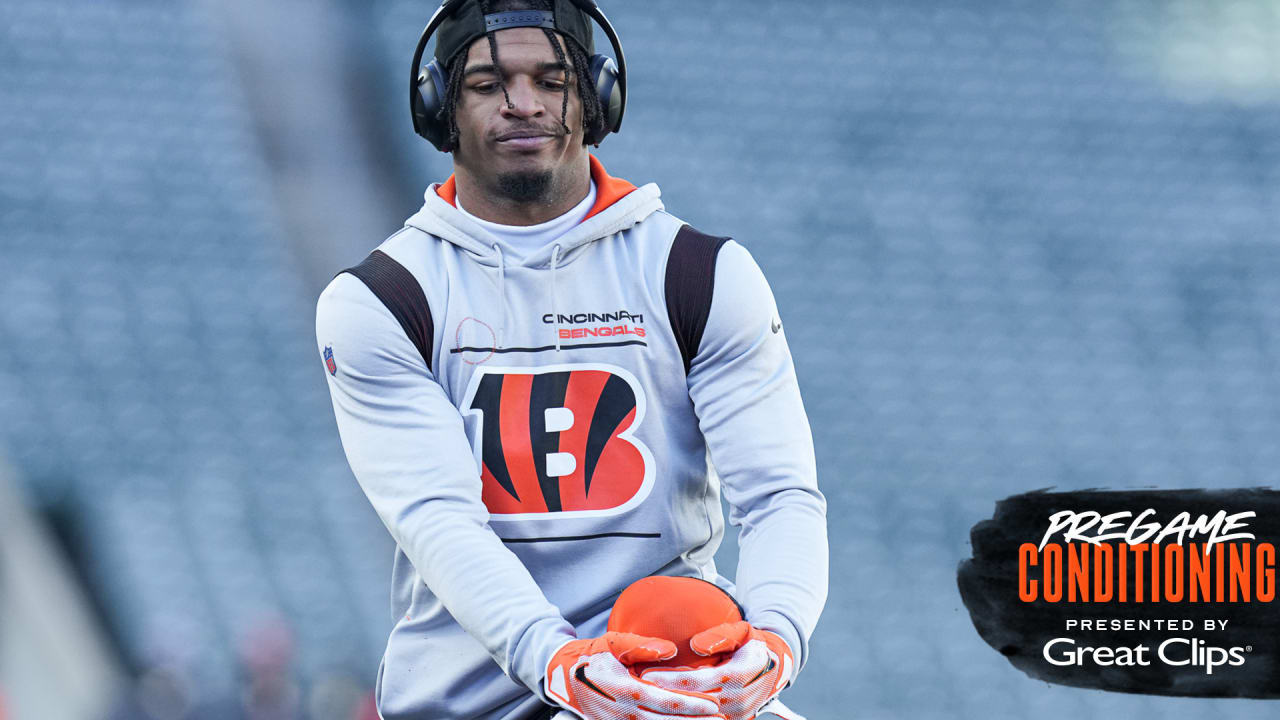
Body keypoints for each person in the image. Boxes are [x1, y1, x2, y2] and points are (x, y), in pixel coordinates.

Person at [315, 1, 827, 718]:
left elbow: (779, 496)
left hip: (666, 679)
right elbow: (441, 521)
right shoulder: (384, 299)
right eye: (488, 85)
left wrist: (775, 637)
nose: (522, 104)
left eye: (550, 80)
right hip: (476, 701)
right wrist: (557, 661)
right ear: (440, 106)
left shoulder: (700, 274)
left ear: (595, 98)